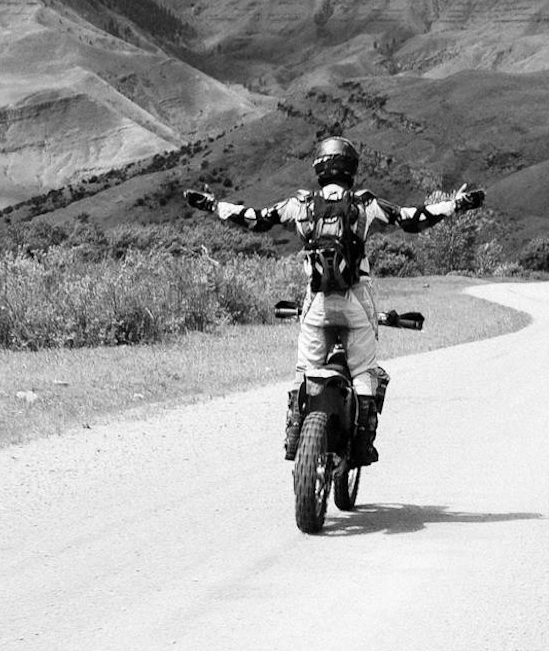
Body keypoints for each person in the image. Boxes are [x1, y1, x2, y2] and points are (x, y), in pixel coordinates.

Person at [186, 134, 483, 465]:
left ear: (318, 168)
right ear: (351, 170)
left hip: (317, 302)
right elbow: (411, 218)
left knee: (305, 370)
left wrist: (213, 205)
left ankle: (295, 434)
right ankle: (362, 443)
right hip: (357, 299)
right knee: (364, 371)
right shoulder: (365, 204)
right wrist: (455, 204)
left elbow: (255, 218)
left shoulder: (300, 205)